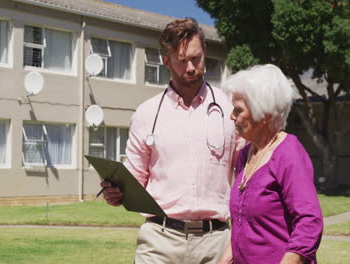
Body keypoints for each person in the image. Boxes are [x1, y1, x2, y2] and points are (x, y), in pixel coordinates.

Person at [101, 18, 242, 264]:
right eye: (181, 60)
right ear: (166, 61)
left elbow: (246, 176)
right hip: (159, 242)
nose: (191, 67)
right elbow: (133, 179)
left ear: (205, 52)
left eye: (196, 58)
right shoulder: (146, 114)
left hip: (216, 243)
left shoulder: (229, 109)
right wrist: (116, 192)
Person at [219, 64, 323, 264]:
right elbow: (243, 226)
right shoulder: (245, 154)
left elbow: (309, 223)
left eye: (238, 110)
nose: (232, 115)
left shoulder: (288, 153)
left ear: (264, 115)